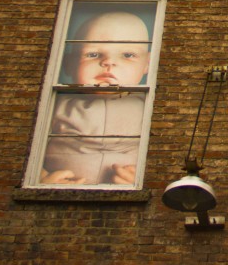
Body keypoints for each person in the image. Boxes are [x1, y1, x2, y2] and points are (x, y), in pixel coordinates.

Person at [40, 10, 151, 186]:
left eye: (128, 55)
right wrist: (41, 177)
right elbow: (20, 147)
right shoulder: (57, 104)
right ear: (69, 64)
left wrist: (143, 179)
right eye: (92, 54)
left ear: (147, 64)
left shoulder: (149, 108)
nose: (108, 62)